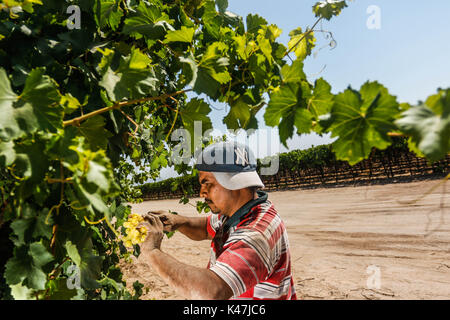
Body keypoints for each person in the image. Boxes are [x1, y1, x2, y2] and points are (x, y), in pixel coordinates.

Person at [138, 141, 297, 300]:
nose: (202, 193)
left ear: (235, 183)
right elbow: (206, 228)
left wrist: (152, 251)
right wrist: (178, 221)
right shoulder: (242, 212)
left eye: (207, 183)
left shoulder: (255, 236)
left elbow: (212, 292)